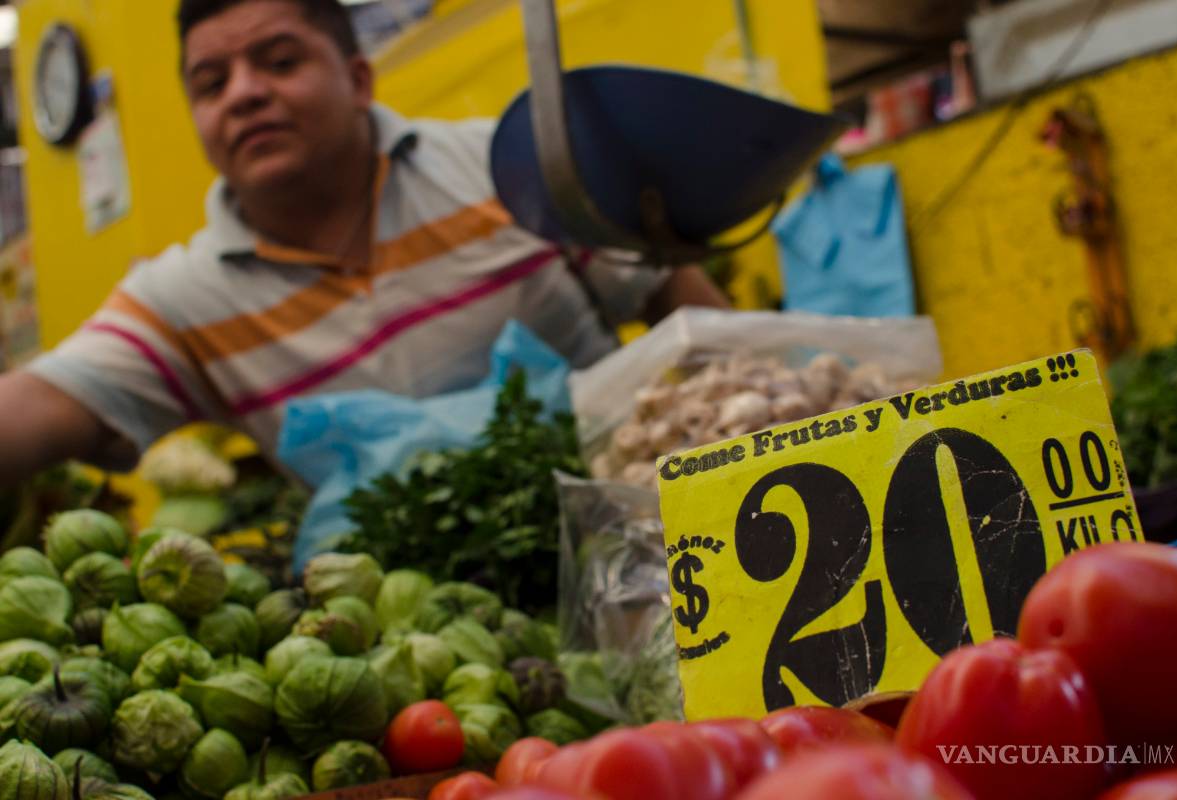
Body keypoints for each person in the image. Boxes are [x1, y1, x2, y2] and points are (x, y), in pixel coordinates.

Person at [0, 0, 728, 486]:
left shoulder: (506, 170)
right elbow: (39, 403)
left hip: (627, 560)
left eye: (280, 62)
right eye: (211, 83)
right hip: (409, 658)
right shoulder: (184, 302)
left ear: (357, 79)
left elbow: (688, 311)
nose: (245, 93)